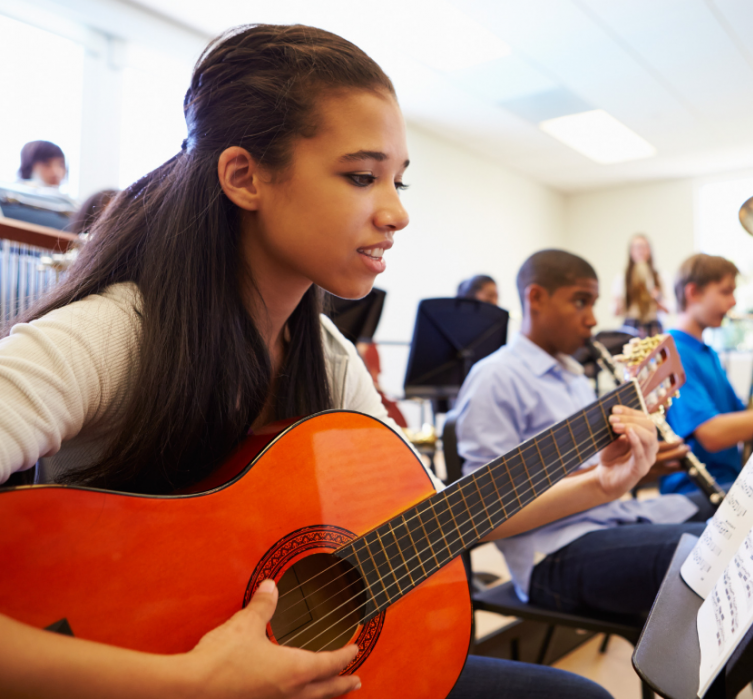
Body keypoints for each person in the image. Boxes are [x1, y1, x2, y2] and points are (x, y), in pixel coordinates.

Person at [0, 25, 616, 699]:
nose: (397, 212)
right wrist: (189, 681)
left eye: (398, 181)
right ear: (244, 176)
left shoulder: (327, 356)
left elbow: (424, 516)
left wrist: (599, 484)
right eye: (361, 176)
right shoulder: (114, 334)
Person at [455, 249, 704, 622]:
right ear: (535, 297)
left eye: (594, 304)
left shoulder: (574, 376)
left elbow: (589, 469)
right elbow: (484, 510)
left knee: (732, 514)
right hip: (551, 553)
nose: (591, 319)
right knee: (713, 549)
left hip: (606, 519)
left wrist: (639, 467)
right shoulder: (496, 377)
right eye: (580, 302)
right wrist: (602, 480)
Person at [660, 254, 753, 497]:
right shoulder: (674, 352)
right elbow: (712, 435)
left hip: (725, 481)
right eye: (725, 292)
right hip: (693, 490)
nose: (733, 301)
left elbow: (739, 417)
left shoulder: (707, 352)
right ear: (693, 293)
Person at [612, 234, 668, 338]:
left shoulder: (659, 277)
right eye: (637, 247)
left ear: (649, 250)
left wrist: (657, 298)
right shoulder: (622, 278)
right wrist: (621, 302)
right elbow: (615, 312)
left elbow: (669, 309)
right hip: (631, 325)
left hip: (653, 325)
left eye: (644, 247)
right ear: (631, 251)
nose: (640, 251)